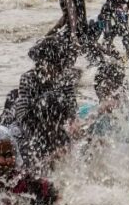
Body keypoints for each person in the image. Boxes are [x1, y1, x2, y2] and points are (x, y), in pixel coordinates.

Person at [13, 35, 80, 171]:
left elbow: (72, 104)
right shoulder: (28, 78)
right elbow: (21, 112)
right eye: (51, 64)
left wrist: (73, 122)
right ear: (41, 62)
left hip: (58, 124)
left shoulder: (65, 78)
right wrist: (36, 132)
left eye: (59, 65)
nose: (54, 70)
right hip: (34, 124)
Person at [76, 60, 129, 165]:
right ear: (97, 91)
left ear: (124, 90)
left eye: (114, 91)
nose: (110, 97)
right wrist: (97, 113)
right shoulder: (86, 112)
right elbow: (73, 135)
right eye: (105, 91)